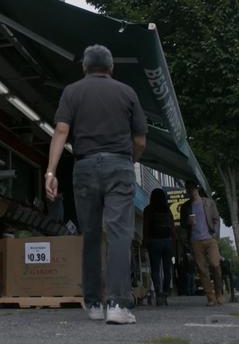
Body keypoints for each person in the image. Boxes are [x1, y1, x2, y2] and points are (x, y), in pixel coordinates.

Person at [44, 44, 147, 325]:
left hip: (85, 167)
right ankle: (117, 304)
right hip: (119, 165)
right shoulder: (127, 93)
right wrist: (128, 161)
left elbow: (61, 131)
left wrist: (50, 172)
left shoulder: (72, 92)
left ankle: (92, 303)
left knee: (90, 235)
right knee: (118, 234)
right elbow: (139, 140)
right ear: (111, 68)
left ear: (84, 67)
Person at [179, 180, 224, 306]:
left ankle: (219, 293)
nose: (189, 192)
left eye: (191, 189)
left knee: (215, 265)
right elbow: (182, 224)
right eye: (187, 189)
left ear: (196, 188)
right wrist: (188, 221)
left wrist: (215, 236)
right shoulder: (186, 206)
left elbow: (216, 219)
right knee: (202, 269)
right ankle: (210, 297)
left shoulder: (208, 202)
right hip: (195, 240)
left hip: (210, 239)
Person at [142, 189, 176, 306]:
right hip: (167, 242)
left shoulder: (148, 210)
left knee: (155, 269)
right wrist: (173, 242)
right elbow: (172, 228)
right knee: (167, 270)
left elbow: (145, 227)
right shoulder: (167, 210)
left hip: (154, 242)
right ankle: (165, 292)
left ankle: (158, 292)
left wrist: (144, 242)